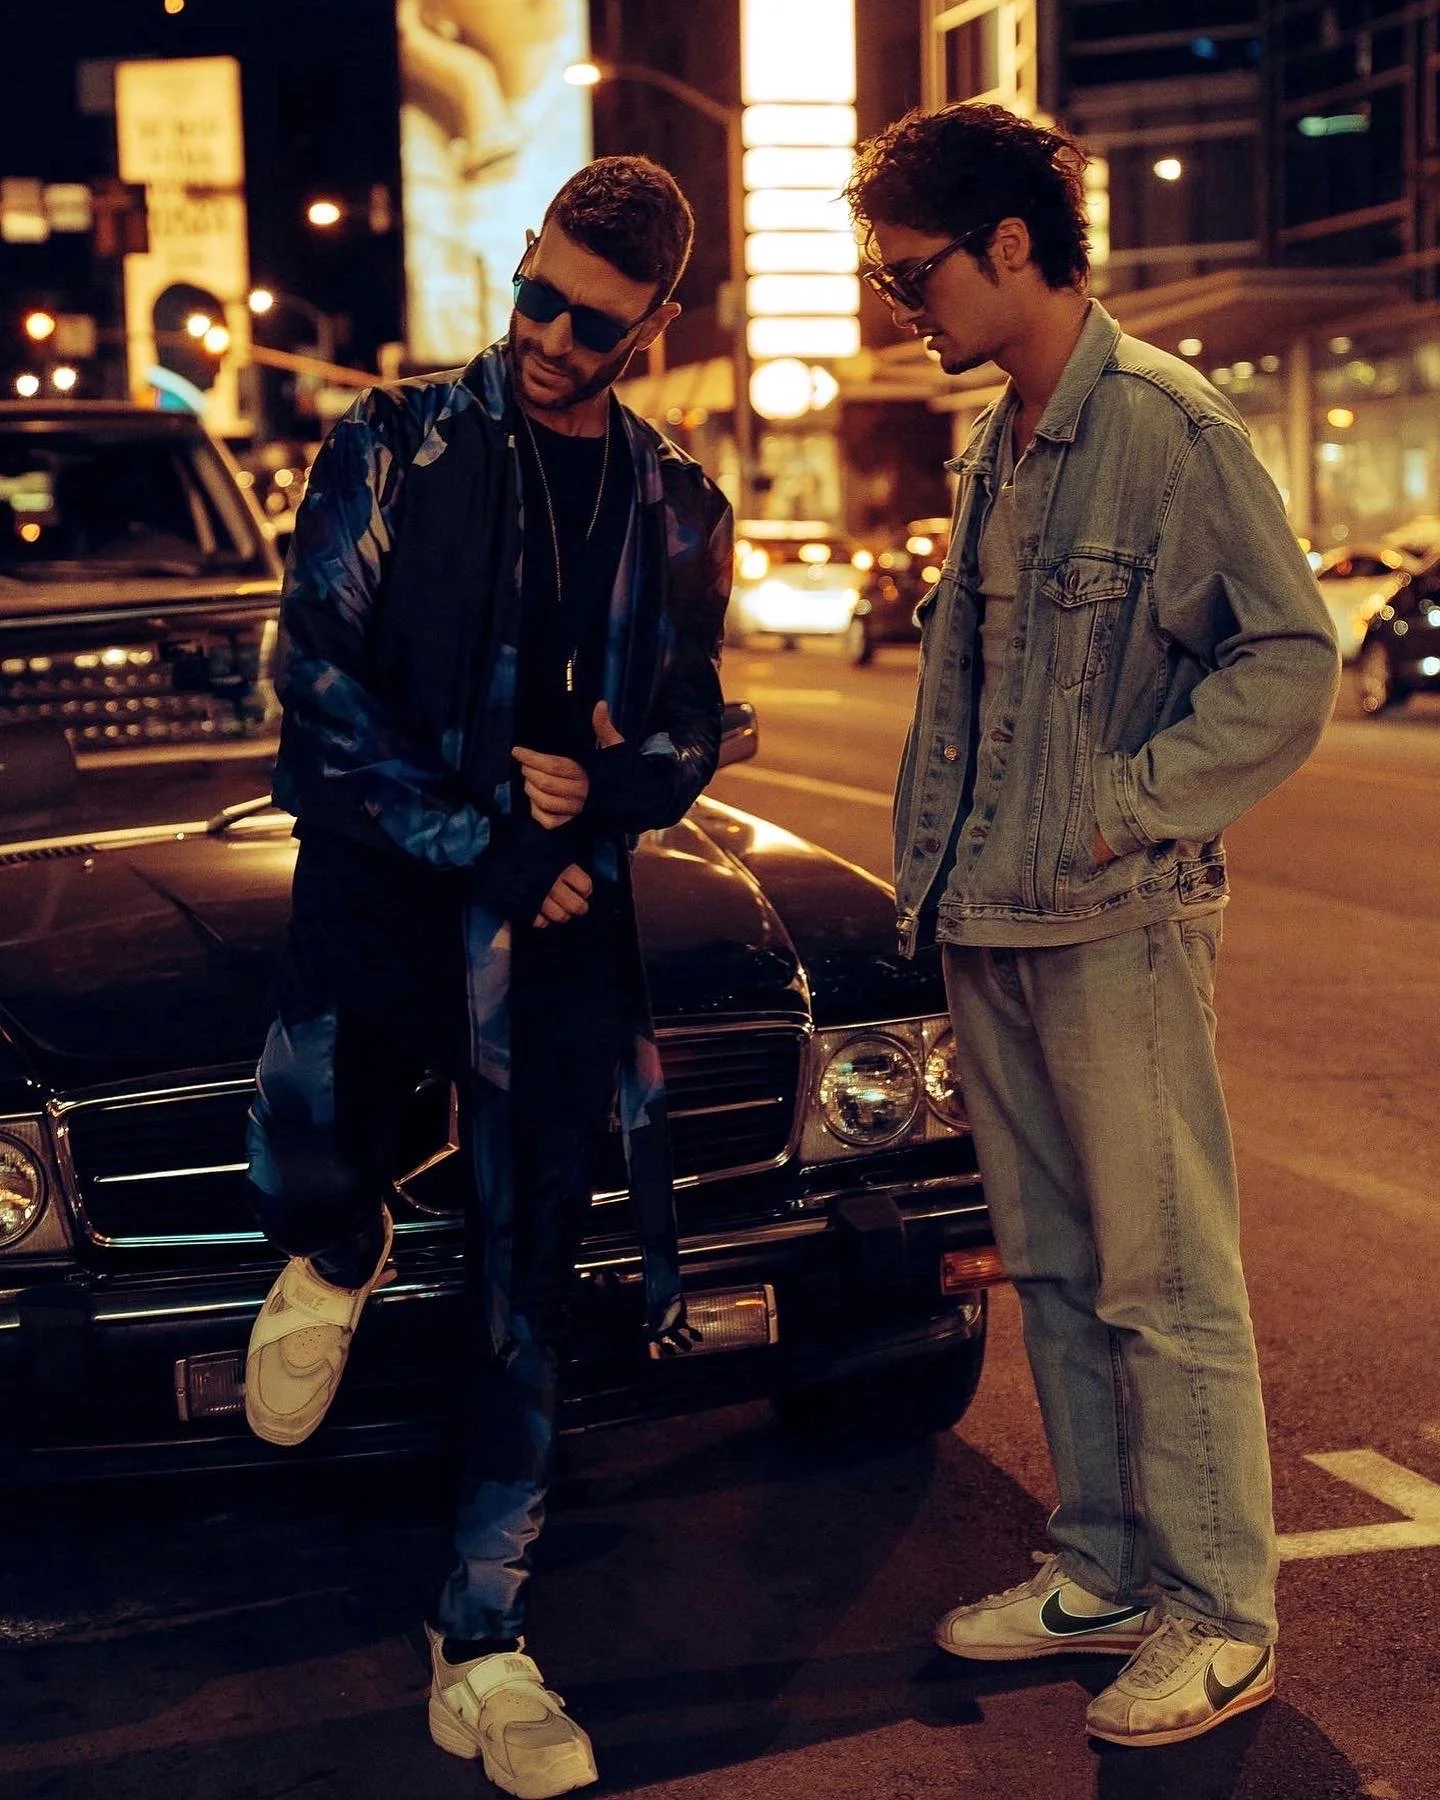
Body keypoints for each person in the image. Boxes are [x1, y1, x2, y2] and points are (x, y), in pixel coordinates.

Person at [845, 103, 1339, 1750]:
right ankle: (1107, 1567)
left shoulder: (1167, 427)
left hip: (1114, 919)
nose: (894, 299)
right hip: (988, 917)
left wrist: (1134, 801)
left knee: (1164, 1277)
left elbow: (1287, 656)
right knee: (1054, 1269)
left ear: (1009, 248)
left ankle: (1220, 1613)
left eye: (914, 270)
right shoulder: (998, 434)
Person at [241, 154, 731, 1798]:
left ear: (654, 323)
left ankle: (483, 1636)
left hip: (566, 923)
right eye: (532, 291)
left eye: (589, 320)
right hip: (389, 896)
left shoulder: (675, 502)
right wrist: (494, 827)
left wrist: (607, 787)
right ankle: (334, 1245)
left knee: (532, 1280)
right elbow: (314, 690)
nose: (543, 333)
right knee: (322, 1114)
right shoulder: (394, 441)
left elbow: (685, 723)